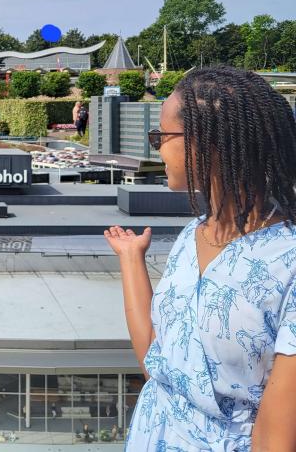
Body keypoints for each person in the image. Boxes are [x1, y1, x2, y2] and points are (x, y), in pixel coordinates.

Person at [104, 66, 296, 451]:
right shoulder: (191, 236)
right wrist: (130, 260)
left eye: (160, 136)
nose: (154, 147)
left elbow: (275, 438)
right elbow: (159, 365)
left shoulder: (288, 263)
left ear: (208, 143)